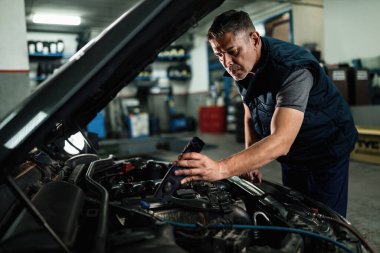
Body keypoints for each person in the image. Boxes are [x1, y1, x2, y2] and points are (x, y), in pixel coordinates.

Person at [174, 10, 358, 217]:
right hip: (293, 154)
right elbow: (250, 110)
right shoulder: (241, 64)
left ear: (254, 39)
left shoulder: (293, 70)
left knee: (326, 220)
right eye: (219, 54)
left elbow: (281, 141)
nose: (226, 62)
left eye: (232, 51)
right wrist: (250, 156)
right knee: (296, 211)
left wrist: (221, 169)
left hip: (326, 148)